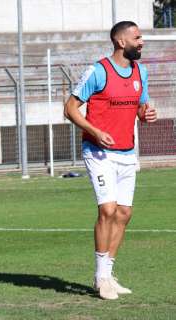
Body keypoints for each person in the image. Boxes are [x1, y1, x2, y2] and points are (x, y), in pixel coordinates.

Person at [64, 21, 157, 300]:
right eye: (137, 38)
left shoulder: (141, 71)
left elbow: (141, 107)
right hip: (98, 152)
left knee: (124, 214)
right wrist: (94, 130)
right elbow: (69, 109)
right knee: (107, 209)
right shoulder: (98, 71)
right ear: (121, 42)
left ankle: (108, 274)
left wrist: (146, 114)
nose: (142, 42)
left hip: (127, 152)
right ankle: (100, 277)